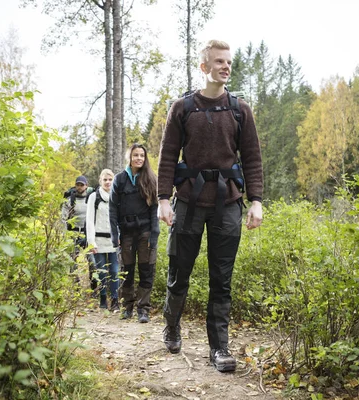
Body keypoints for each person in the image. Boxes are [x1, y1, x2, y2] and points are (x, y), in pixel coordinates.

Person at [157, 40, 263, 373]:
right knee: (179, 276)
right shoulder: (182, 108)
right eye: (219, 61)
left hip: (228, 204)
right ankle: (172, 326)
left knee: (222, 280)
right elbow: (167, 158)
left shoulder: (240, 110)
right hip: (187, 203)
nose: (226, 66)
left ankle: (219, 348)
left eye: (228, 62)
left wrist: (256, 201)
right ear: (204, 67)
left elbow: (253, 159)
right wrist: (163, 198)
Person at [109, 144, 160, 323]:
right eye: (136, 155)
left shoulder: (151, 179)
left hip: (145, 232)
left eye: (142, 156)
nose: (139, 158)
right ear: (129, 157)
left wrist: (155, 233)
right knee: (126, 270)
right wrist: (115, 234)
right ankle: (127, 307)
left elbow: (155, 208)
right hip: (126, 233)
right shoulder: (119, 179)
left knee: (146, 270)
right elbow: (112, 209)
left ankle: (143, 309)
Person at [86, 169, 120, 311]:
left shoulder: (117, 196)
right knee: (101, 271)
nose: (107, 182)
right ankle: (102, 298)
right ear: (100, 181)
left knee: (114, 271)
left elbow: (120, 219)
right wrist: (91, 242)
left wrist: (120, 237)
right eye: (105, 179)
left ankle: (115, 300)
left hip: (113, 241)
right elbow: (89, 220)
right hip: (98, 240)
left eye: (110, 179)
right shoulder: (94, 197)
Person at [61, 175, 94, 280]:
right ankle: (75, 286)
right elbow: (63, 218)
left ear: (86, 186)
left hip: (88, 234)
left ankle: (94, 285)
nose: (79, 187)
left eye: (82, 185)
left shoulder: (92, 198)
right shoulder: (70, 200)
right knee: (72, 261)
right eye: (77, 185)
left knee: (93, 260)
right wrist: (64, 234)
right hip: (73, 233)